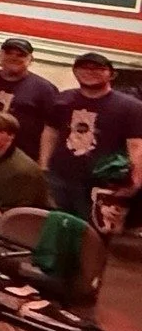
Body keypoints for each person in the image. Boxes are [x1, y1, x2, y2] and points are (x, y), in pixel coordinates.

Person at [40, 51, 142, 225]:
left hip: (102, 184)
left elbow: (137, 146)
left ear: (112, 74)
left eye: (97, 68)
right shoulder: (62, 99)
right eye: (83, 67)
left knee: (95, 235)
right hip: (60, 179)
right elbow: (50, 132)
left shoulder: (131, 107)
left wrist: (136, 181)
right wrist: (43, 166)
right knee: (58, 227)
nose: (89, 71)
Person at [0, 38, 59, 159]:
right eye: (9, 53)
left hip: (22, 158)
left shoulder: (45, 89)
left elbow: (52, 129)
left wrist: (44, 162)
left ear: (30, 59)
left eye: (21, 55)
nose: (14, 58)